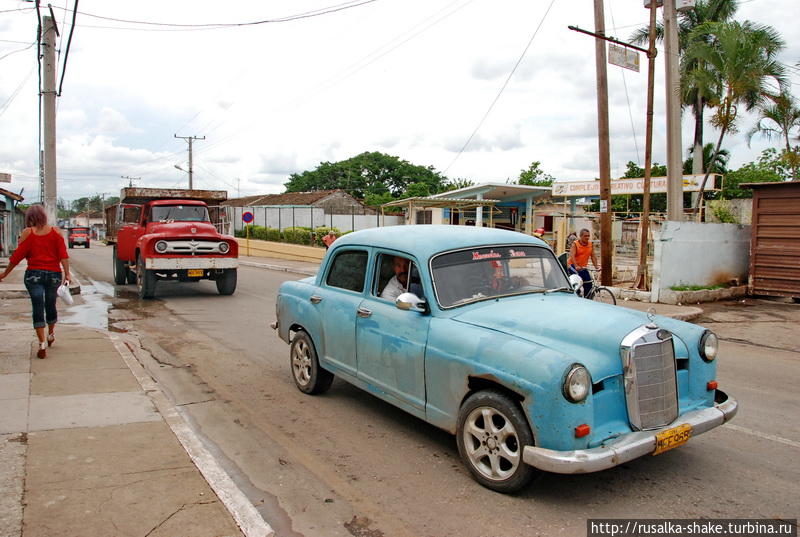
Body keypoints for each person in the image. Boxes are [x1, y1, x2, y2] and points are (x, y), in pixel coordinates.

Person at [0, 205, 71, 359]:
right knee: (51, 303)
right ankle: (51, 334)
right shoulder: (56, 232)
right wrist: (67, 273)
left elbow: (17, 257)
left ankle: (41, 343)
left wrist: (5, 273)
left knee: (37, 305)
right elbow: (63, 255)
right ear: (44, 216)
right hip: (54, 275)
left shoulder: (27, 233)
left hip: (33, 275)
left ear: (29, 218)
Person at [567, 228, 599, 298]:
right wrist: (576, 266)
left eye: (588, 236)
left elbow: (593, 256)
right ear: (580, 236)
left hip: (583, 267)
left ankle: (587, 299)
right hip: (572, 266)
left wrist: (596, 267)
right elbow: (572, 256)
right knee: (577, 282)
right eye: (585, 236)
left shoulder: (590, 244)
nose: (587, 237)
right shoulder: (575, 244)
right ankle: (576, 296)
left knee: (589, 283)